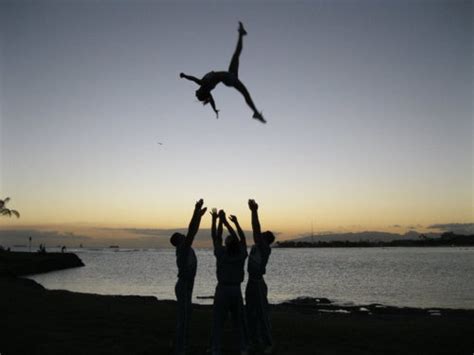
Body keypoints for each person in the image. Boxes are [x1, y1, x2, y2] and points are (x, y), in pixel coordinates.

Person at [180, 22, 266, 123]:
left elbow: (211, 101)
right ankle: (255, 112)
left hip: (229, 76)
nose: (195, 93)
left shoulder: (206, 90)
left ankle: (241, 34)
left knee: (237, 55)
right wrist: (185, 76)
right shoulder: (203, 84)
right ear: (201, 93)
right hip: (228, 78)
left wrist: (214, 110)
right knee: (245, 93)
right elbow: (193, 79)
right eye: (197, 94)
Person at [170, 199, 207, 355]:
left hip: (186, 285)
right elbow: (192, 231)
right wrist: (196, 211)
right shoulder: (183, 249)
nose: (184, 235)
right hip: (184, 285)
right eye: (181, 235)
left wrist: (199, 216)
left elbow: (193, 231)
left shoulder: (185, 248)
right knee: (183, 318)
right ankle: (180, 348)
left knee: (185, 316)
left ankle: (181, 344)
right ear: (179, 241)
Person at [210, 209, 249, 355]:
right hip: (235, 290)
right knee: (238, 321)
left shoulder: (221, 254)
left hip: (222, 289)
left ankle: (216, 349)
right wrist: (230, 222)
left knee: (218, 321)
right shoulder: (241, 254)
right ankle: (243, 347)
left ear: (226, 244)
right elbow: (241, 239)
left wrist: (217, 220)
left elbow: (216, 236)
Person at [245, 199, 275, 354]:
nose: (258, 237)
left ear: (266, 240)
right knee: (249, 313)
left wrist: (254, 211)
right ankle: (252, 342)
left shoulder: (264, 249)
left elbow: (256, 228)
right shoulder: (257, 246)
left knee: (262, 314)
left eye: (262, 236)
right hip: (251, 283)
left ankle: (268, 343)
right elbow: (256, 231)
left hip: (257, 283)